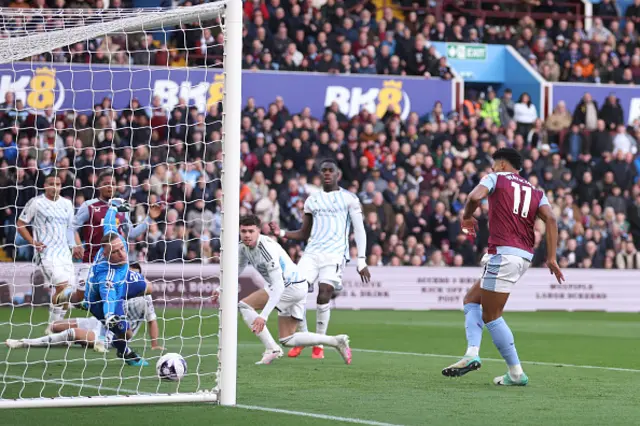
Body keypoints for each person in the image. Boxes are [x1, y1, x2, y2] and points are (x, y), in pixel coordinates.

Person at [441, 148, 564, 386]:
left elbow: (475, 197)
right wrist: (551, 257)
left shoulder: (496, 178)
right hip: (522, 257)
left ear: (503, 165)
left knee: (492, 315)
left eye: (495, 164)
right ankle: (471, 353)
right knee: (471, 299)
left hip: (503, 254)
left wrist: (467, 217)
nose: (492, 168)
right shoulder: (536, 192)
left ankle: (515, 373)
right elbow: (551, 219)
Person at [213, 215, 352, 365]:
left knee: (244, 306)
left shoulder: (266, 248)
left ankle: (272, 348)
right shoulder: (242, 247)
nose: (247, 235)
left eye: (251, 231)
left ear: (258, 231)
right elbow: (237, 269)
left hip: (289, 286)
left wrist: (263, 316)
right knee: (287, 339)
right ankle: (336, 341)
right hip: (297, 285)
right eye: (244, 231)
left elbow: (278, 286)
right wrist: (221, 287)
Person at [269, 159, 370, 360]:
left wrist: (361, 259)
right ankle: (306, 339)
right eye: (323, 171)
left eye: (330, 171)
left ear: (338, 174)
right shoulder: (312, 200)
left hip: (334, 254)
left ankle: (319, 345)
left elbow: (359, 229)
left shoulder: (349, 199)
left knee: (324, 293)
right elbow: (304, 233)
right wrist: (281, 232)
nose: (326, 174)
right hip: (312, 253)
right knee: (297, 292)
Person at [84, 199, 153, 366]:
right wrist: (110, 316)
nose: (122, 254)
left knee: (150, 287)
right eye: (116, 252)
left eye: (122, 249)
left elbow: (108, 222)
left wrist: (114, 207)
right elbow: (108, 296)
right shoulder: (107, 275)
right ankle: (124, 352)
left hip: (123, 280)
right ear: (106, 255)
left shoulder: (115, 239)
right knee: (125, 333)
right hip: (102, 300)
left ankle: (74, 296)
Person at [73, 171, 159, 298]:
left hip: (115, 263)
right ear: (98, 186)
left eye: (113, 184)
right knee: (80, 298)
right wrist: (76, 244)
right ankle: (61, 299)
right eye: (106, 184)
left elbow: (132, 233)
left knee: (114, 296)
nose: (110, 186)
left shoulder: (121, 207)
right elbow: (72, 227)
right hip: (91, 261)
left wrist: (149, 219)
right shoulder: (89, 206)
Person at [16, 173, 82, 334]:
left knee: (67, 294)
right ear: (45, 186)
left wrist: (77, 245)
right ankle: (54, 327)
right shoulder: (36, 203)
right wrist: (33, 242)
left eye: (58, 184)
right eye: (51, 183)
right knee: (63, 288)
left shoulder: (67, 204)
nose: (55, 187)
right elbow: (20, 223)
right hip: (46, 253)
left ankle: (54, 327)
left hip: (65, 253)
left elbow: (71, 228)